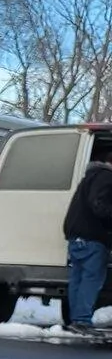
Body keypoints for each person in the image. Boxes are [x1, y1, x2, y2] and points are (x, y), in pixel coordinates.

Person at [65, 133, 112, 330]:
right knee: (91, 279)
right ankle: (82, 320)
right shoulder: (106, 178)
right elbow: (99, 205)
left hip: (76, 236)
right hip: (93, 237)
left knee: (77, 278)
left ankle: (76, 319)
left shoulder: (89, 177)